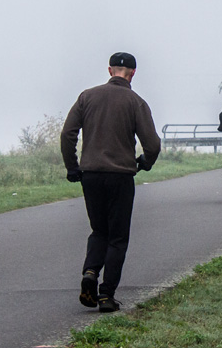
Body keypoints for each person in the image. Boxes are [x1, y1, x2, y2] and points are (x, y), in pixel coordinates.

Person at [61, 52, 161, 313]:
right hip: (121, 176)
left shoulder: (87, 96)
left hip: (91, 174)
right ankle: (106, 296)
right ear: (133, 73)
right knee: (117, 237)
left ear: (109, 70)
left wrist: (73, 167)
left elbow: (67, 134)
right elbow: (152, 144)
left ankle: (90, 273)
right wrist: (145, 162)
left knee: (98, 230)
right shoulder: (136, 102)